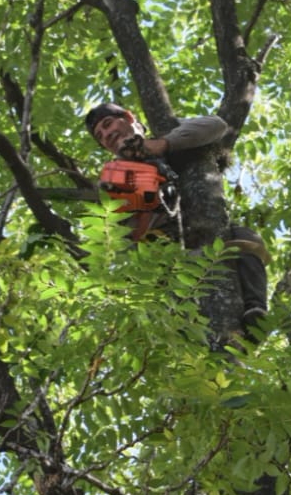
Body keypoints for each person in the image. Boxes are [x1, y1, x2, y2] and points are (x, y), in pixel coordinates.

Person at [84, 103, 268, 337]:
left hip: (206, 234)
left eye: (108, 124)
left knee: (246, 237)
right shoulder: (115, 177)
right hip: (166, 254)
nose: (107, 135)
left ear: (128, 117)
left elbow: (217, 126)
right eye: (100, 136)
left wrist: (159, 145)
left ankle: (254, 311)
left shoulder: (173, 133)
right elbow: (123, 236)